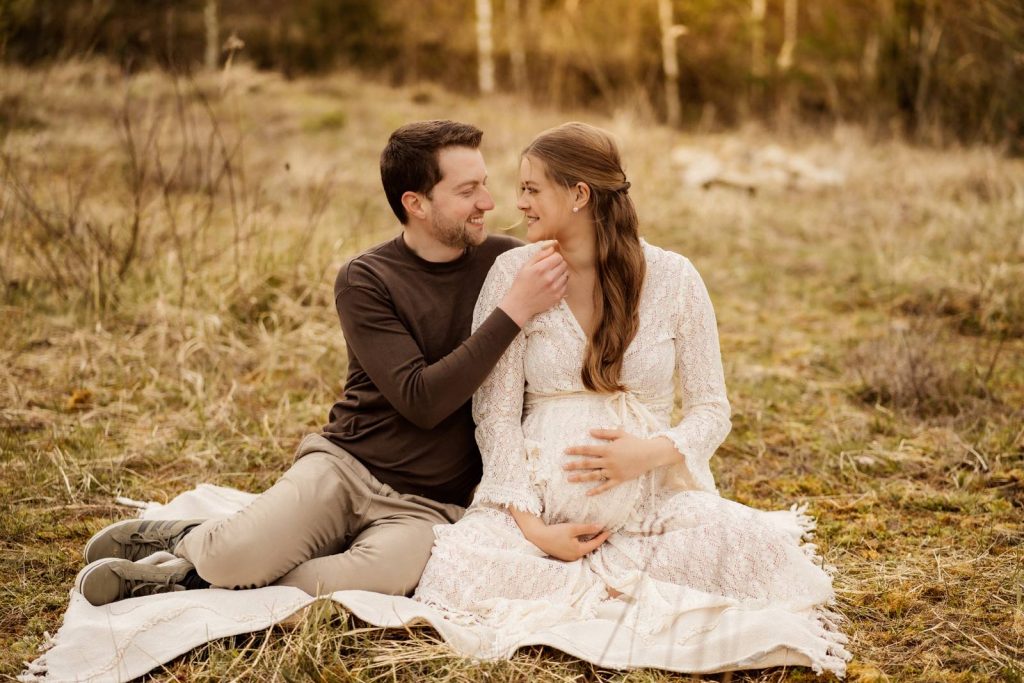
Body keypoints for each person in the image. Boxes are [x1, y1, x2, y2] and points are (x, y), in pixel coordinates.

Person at [411, 122, 850, 676]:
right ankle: (563, 568)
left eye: (531, 189)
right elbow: (494, 414)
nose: (516, 203)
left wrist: (647, 453)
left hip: (651, 504)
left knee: (754, 551)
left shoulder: (674, 278)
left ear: (578, 194)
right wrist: (533, 527)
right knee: (456, 568)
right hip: (539, 506)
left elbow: (713, 410)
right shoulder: (513, 273)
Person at [73, 119, 570, 604]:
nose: (488, 201)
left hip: (429, 505)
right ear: (415, 204)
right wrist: (514, 311)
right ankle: (192, 539)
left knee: (380, 578)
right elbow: (422, 400)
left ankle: (185, 579)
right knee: (235, 558)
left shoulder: (508, 264)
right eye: (467, 191)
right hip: (347, 467)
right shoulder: (367, 279)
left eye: (484, 183)